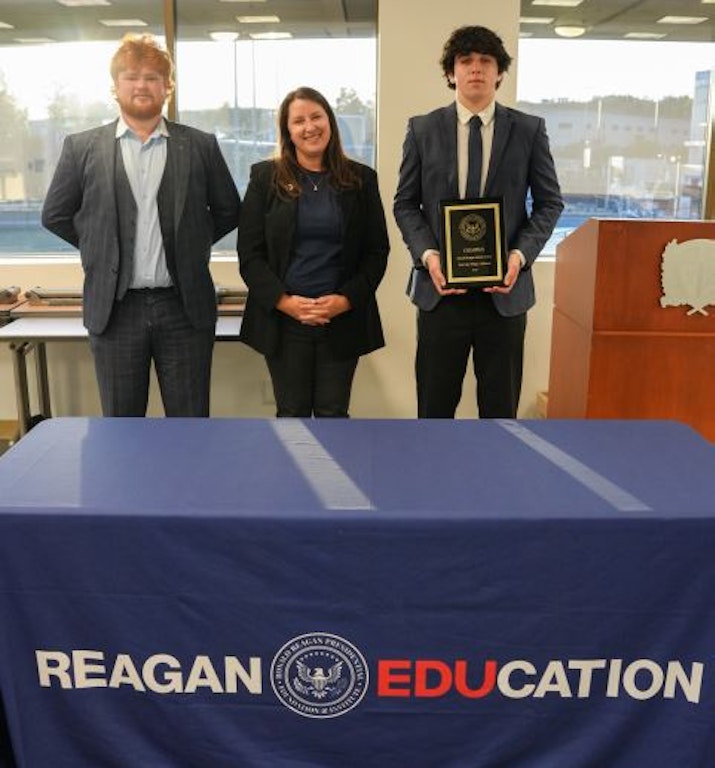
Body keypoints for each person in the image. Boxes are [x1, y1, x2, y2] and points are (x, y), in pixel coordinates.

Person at [42, 33, 241, 417]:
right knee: (121, 428)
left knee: (190, 424)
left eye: (152, 77)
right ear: (115, 86)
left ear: (167, 87)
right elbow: (55, 214)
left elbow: (230, 210)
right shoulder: (81, 148)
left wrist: (189, 244)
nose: (142, 85)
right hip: (116, 311)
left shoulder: (200, 146)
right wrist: (102, 247)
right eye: (132, 76)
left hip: (183, 308)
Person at [393, 25, 563, 419]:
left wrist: (519, 256)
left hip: (504, 293)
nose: (475, 69)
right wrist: (429, 256)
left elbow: (549, 203)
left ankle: (497, 482)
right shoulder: (422, 129)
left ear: (499, 73)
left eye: (486, 61)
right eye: (465, 61)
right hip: (440, 293)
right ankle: (435, 480)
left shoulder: (529, 130)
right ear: (451, 72)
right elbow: (405, 204)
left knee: (500, 414)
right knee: (434, 411)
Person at [238, 86, 389, 417]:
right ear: (287, 131)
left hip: (342, 319)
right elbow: (250, 255)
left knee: (334, 414)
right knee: (292, 415)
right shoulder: (265, 178)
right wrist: (286, 303)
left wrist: (345, 300)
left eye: (316, 116)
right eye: (298, 121)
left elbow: (377, 252)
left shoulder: (362, 179)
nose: (310, 127)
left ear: (330, 122)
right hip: (285, 320)